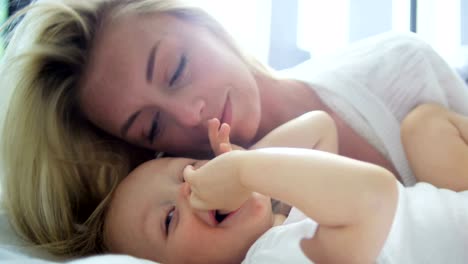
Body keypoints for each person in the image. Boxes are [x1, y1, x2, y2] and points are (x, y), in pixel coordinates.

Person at [1, 0, 468, 257]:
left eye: (176, 68)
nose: (190, 113)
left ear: (196, 18)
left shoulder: (401, 67)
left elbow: (319, 131)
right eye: (152, 126)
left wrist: (244, 168)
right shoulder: (252, 231)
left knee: (423, 126)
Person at [99, 108, 468, 263]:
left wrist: (245, 160)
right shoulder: (272, 258)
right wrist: (246, 170)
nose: (188, 189)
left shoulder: (287, 214)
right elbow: (376, 197)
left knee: (423, 126)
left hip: (454, 212)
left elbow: (321, 128)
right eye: (167, 220)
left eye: (189, 171)